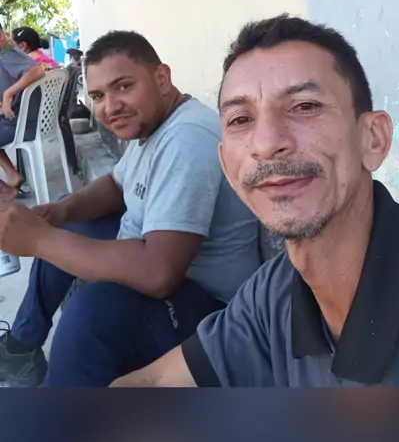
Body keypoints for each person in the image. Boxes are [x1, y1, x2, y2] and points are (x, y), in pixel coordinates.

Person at [112, 14, 399, 388]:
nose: (267, 143)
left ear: (373, 139)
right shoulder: (272, 295)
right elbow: (150, 383)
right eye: (241, 119)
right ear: (227, 168)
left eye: (305, 106)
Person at [0, 30, 260, 387]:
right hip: (159, 261)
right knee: (62, 226)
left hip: (210, 309)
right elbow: (116, 185)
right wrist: (61, 213)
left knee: (88, 317)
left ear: (162, 78)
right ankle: (21, 348)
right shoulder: (154, 125)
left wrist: (40, 241)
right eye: (98, 96)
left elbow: (159, 273)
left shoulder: (188, 137)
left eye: (123, 86)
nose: (110, 107)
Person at [0, 23, 44, 201]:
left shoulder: (7, 55)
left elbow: (37, 71)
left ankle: (8, 184)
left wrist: (8, 94)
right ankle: (12, 175)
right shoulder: (10, 54)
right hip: (25, 121)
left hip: (21, 125)